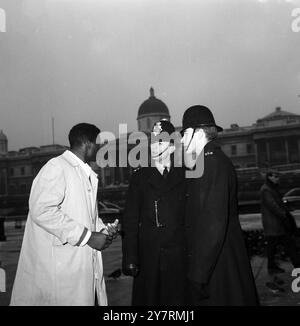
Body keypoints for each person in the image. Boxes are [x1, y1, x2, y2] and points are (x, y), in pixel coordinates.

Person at [10, 123, 118, 306]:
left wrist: (102, 230)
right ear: (86, 143)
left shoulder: (84, 173)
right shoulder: (56, 167)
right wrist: (88, 237)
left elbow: (82, 215)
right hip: (61, 272)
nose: (100, 148)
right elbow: (42, 210)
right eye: (98, 143)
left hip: (79, 267)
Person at [181, 105, 259, 306]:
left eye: (185, 133)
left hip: (218, 265)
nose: (181, 140)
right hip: (219, 260)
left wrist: (199, 273)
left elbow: (212, 224)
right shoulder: (209, 162)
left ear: (198, 133)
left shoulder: (211, 164)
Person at [122, 119, 187, 305]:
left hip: (179, 255)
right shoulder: (139, 178)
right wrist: (131, 257)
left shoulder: (185, 175)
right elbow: (131, 221)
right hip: (149, 256)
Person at [260, 171, 300, 275]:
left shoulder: (271, 188)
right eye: (276, 176)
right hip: (274, 223)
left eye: (278, 176)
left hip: (276, 223)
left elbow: (279, 204)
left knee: (279, 245)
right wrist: (284, 215)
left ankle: (274, 267)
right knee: (280, 245)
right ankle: (294, 265)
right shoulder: (266, 190)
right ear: (269, 177)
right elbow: (273, 206)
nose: (278, 178)